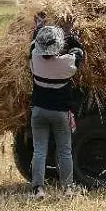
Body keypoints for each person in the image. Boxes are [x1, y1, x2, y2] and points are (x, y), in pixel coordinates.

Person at [28, 17, 85, 199]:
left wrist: (38, 28)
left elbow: (33, 45)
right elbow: (79, 52)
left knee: (39, 150)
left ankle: (38, 189)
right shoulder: (66, 64)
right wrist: (69, 33)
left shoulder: (35, 61)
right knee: (64, 151)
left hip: (38, 112)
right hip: (60, 114)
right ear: (57, 46)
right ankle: (68, 188)